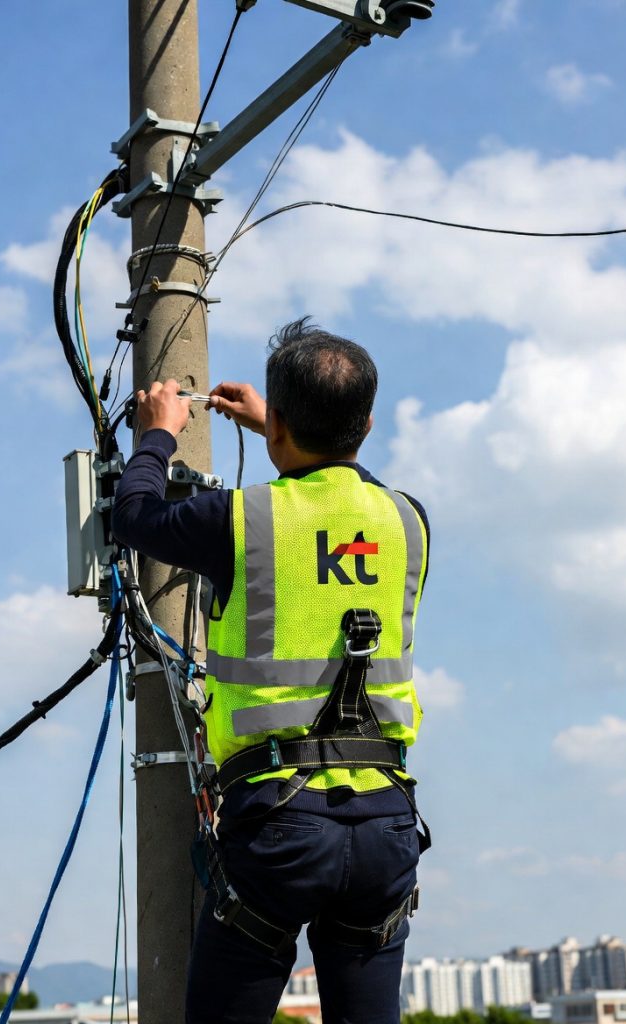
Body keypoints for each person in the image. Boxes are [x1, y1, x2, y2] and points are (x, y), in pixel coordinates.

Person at [112, 318, 430, 1024]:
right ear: (368, 424)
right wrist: (282, 434)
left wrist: (159, 433)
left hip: (280, 822)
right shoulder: (407, 520)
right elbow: (347, 489)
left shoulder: (237, 518)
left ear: (278, 420)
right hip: (386, 821)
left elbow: (132, 514)